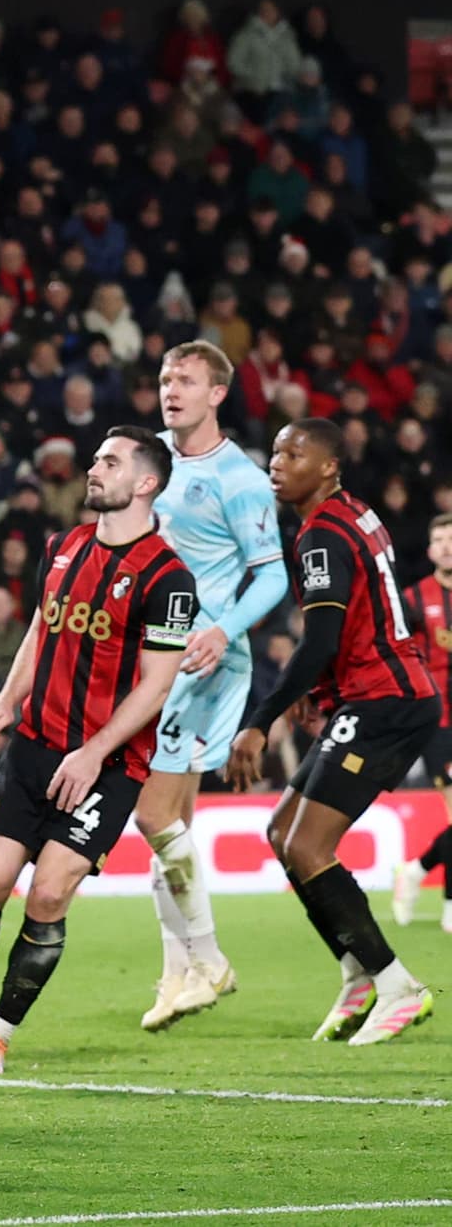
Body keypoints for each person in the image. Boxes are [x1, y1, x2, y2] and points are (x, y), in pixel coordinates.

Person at [0, 427, 198, 1077]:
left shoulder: (169, 577)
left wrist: (94, 752)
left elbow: (157, 681)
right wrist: (6, 700)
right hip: (35, 748)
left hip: (109, 767)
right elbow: (43, 624)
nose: (95, 469)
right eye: (96, 459)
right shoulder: (63, 547)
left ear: (145, 483)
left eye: (110, 462)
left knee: (48, 895)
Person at [223, 420, 437, 1045]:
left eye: (295, 452)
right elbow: (355, 619)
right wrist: (322, 694)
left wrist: (259, 720)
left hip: (385, 699)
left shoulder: (321, 535)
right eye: (277, 450)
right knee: (282, 832)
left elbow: (319, 638)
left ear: (330, 467)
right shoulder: (354, 514)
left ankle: (397, 984)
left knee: (310, 847)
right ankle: (357, 972)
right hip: (375, 694)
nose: (278, 461)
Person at [134, 341, 288, 1031]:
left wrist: (222, 629)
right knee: (171, 831)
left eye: (187, 380)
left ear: (217, 393)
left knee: (153, 816)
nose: (172, 389)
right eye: (167, 378)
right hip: (147, 656)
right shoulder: (145, 459)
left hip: (204, 661)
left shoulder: (240, 478)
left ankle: (210, 958)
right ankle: (178, 974)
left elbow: (275, 575)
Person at [392, 512, 452, 931]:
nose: (447, 546)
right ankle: (450, 903)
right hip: (440, 722)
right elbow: (403, 661)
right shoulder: (414, 599)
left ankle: (417, 869)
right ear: (429, 550)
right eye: (439, 540)